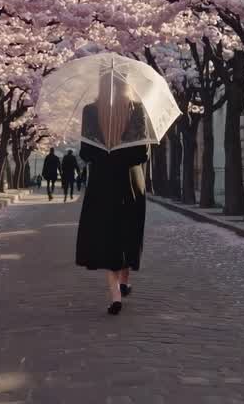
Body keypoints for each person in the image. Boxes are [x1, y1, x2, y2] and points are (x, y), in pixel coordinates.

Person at [75, 74, 149, 315]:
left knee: (107, 234)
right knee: (128, 230)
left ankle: (116, 294)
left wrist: (106, 154)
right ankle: (125, 281)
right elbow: (142, 154)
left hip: (101, 182)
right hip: (130, 180)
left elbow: (86, 152)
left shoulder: (90, 111)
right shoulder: (136, 109)